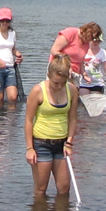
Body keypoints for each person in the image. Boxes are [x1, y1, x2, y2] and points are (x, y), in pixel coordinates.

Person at [24, 54, 79, 198]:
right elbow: (28, 120)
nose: (59, 86)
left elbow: (73, 119)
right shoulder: (37, 91)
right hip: (41, 144)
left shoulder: (72, 90)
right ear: (48, 75)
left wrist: (69, 143)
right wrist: (30, 149)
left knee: (64, 187)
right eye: (55, 83)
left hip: (62, 144)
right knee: (41, 189)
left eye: (63, 82)